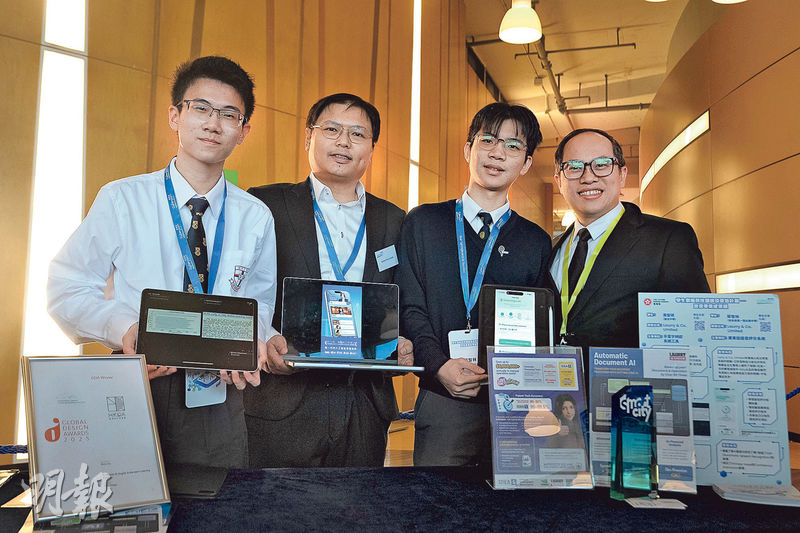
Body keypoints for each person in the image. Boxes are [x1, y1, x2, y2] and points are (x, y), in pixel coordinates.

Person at [47, 56, 276, 468]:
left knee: (222, 501)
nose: (213, 124)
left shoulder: (255, 216)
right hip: (137, 380)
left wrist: (250, 343)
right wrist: (125, 329)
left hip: (218, 392)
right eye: (201, 108)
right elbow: (67, 287)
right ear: (175, 116)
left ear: (243, 131)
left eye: (228, 114)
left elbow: (259, 302)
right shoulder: (122, 199)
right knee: (131, 499)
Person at [245, 93, 413, 468]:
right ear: (309, 137)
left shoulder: (394, 219)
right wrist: (263, 339)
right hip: (283, 398)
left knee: (358, 503)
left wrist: (400, 340)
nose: (344, 142)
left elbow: (402, 298)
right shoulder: (265, 204)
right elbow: (240, 289)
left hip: (364, 402)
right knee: (276, 502)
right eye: (332, 129)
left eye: (357, 134)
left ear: (371, 148)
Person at [396, 102, 552, 466]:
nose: (498, 153)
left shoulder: (535, 241)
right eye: (488, 140)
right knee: (436, 498)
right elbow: (410, 305)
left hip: (514, 405)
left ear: (526, 163)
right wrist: (438, 366)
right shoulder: (424, 223)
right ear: (468, 149)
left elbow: (540, 326)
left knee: (513, 500)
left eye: (513, 145)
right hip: (443, 399)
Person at [549, 128, 710, 370]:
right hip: (555, 388)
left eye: (602, 164)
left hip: (631, 390)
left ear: (622, 174)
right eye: (574, 167)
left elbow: (696, 335)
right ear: (559, 180)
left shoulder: (669, 240)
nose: (588, 177)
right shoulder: (550, 249)